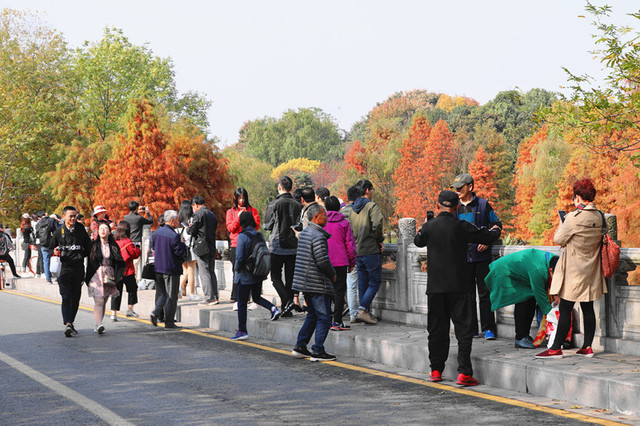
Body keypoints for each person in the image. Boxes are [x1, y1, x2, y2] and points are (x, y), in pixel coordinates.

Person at [414, 190, 501, 386]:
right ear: (456, 209)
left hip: (435, 287)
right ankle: (464, 373)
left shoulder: (429, 227)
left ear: (438, 206)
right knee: (464, 330)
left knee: (437, 330)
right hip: (459, 286)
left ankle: (436, 370)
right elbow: (486, 237)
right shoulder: (461, 225)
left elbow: (417, 241)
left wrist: (424, 225)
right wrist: (496, 229)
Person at [537, 179, 607, 359]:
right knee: (588, 306)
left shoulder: (573, 217)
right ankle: (587, 347)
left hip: (574, 270)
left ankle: (555, 348)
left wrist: (563, 222)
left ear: (577, 197)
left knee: (566, 307)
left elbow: (559, 239)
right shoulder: (599, 216)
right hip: (591, 269)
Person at [451, 173, 502, 340]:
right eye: (455, 187)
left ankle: (489, 328)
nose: (457, 190)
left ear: (470, 187)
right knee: (467, 295)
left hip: (482, 257)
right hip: (462, 259)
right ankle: (471, 328)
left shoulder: (482, 204)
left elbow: (497, 225)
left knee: (485, 294)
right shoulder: (454, 207)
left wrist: (487, 240)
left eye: (460, 187)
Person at [484, 249, 559, 349]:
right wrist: (552, 314)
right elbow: (540, 294)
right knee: (522, 300)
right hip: (505, 271)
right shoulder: (538, 269)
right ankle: (520, 337)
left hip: (520, 272)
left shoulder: (553, 260)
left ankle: (525, 335)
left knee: (530, 299)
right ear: (550, 270)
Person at [291, 204, 337, 361]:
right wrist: (333, 275)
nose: (326, 217)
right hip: (317, 283)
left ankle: (300, 346)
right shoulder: (318, 235)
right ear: (316, 217)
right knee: (324, 317)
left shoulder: (305, 233)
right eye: (324, 214)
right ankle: (318, 350)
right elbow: (322, 261)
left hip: (305, 282)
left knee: (312, 315)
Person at [231, 211, 281, 340]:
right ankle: (273, 308)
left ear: (242, 223)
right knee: (257, 297)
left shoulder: (243, 236)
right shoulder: (258, 235)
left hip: (245, 275)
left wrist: (236, 270)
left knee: (242, 303)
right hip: (258, 273)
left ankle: (242, 330)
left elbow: (240, 257)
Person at [49, 206, 91, 337]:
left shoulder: (81, 230)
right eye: (70, 216)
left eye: (74, 216)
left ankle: (71, 322)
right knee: (66, 296)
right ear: (64, 217)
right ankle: (67, 323)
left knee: (76, 298)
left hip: (78, 267)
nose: (73, 219)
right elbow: (50, 249)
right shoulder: (58, 232)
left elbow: (88, 247)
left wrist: (80, 255)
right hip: (64, 268)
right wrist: (55, 252)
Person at [264, 176, 302, 316]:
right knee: (291, 278)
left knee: (275, 276)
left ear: (279, 188)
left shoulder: (274, 204)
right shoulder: (298, 205)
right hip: (293, 246)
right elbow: (300, 225)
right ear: (291, 188)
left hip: (277, 245)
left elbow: (267, 226)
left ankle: (286, 301)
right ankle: (287, 306)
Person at [349, 179, 384, 325]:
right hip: (370, 249)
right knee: (374, 282)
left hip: (358, 251)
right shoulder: (371, 206)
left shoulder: (352, 209)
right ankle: (362, 310)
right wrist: (379, 240)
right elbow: (377, 225)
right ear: (367, 190)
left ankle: (363, 313)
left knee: (363, 284)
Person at [324, 196, 356, 331]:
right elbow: (350, 244)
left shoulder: (322, 222)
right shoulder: (344, 223)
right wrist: (352, 262)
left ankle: (325, 320)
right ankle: (337, 322)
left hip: (325, 261)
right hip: (341, 262)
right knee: (339, 292)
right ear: (339, 207)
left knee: (325, 291)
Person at [86, 222, 125, 334]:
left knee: (104, 301)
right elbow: (90, 262)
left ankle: (98, 322)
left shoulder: (113, 246)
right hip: (96, 275)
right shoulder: (94, 245)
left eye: (105, 228)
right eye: (101, 229)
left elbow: (119, 261)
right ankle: (99, 324)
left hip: (109, 275)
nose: (103, 230)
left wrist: (119, 275)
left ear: (109, 232)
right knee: (99, 300)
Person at [151, 210, 187, 329]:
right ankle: (169, 322)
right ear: (171, 220)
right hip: (171, 268)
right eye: (176, 220)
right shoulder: (174, 236)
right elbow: (180, 252)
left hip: (158, 267)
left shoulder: (156, 233)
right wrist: (182, 243)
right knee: (171, 296)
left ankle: (158, 314)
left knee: (160, 293)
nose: (177, 222)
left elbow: (153, 246)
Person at [226, 188, 261, 307]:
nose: (241, 200)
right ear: (235, 198)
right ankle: (236, 298)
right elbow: (230, 228)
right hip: (236, 244)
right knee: (237, 270)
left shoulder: (253, 210)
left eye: (243, 198)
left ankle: (253, 298)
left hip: (250, 243)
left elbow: (256, 225)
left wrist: (247, 216)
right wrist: (238, 217)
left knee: (251, 270)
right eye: (239, 198)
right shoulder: (230, 212)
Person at [188, 195, 218, 305]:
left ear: (195, 205)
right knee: (211, 271)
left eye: (193, 206)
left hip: (201, 246)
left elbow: (192, 230)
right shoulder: (212, 214)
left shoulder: (198, 214)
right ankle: (215, 295)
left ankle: (209, 297)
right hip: (211, 244)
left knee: (204, 272)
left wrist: (188, 228)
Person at [111, 221, 142, 320]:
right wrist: (138, 249)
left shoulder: (113, 242)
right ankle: (130, 310)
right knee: (132, 289)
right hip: (127, 270)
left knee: (116, 292)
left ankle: (113, 314)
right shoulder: (128, 242)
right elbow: (134, 254)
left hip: (116, 271)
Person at [341, 185, 360, 324]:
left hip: (344, 253)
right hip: (359, 250)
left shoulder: (341, 212)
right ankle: (357, 313)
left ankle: (352, 313)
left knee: (349, 284)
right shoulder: (360, 211)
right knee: (357, 284)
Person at [178, 200, 199, 301]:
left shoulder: (179, 221)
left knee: (185, 271)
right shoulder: (192, 219)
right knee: (191, 272)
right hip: (190, 248)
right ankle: (191, 293)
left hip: (182, 249)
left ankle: (179, 288)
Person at [36, 212, 57, 284]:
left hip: (43, 244)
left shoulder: (38, 224)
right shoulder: (52, 220)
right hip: (52, 244)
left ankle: (48, 279)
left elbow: (37, 235)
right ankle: (56, 278)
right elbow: (56, 231)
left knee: (46, 261)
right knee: (55, 260)